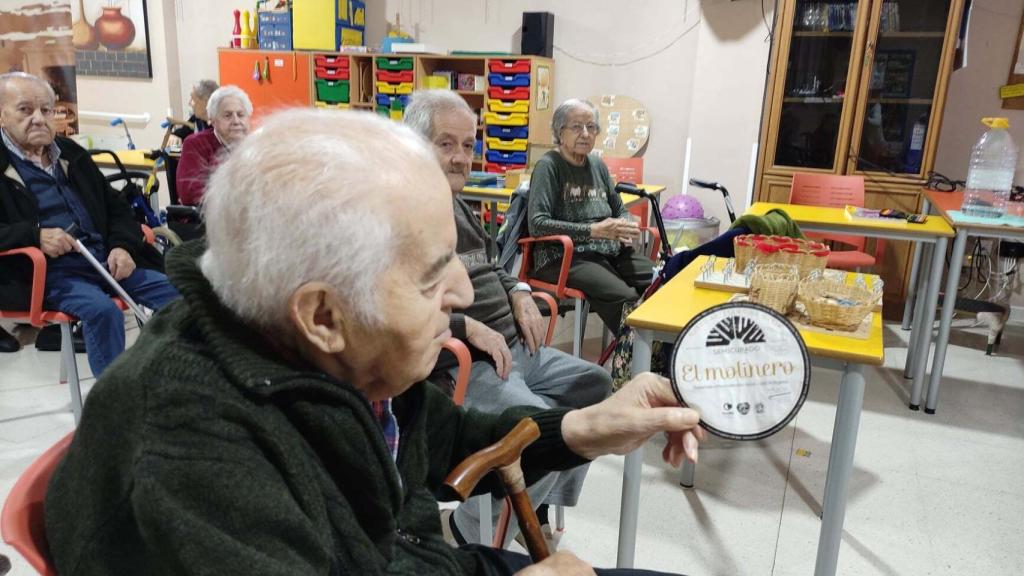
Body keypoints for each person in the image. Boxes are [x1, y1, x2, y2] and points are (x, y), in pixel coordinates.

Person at [45, 108, 704, 576]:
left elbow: (446, 441)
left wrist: (587, 426)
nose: (465, 295)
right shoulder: (193, 445)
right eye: (430, 274)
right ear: (323, 315)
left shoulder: (330, 351)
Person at [405, 91, 612, 547]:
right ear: (415, 145)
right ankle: (477, 528)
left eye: (467, 145)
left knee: (594, 385)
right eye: (446, 144)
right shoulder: (405, 214)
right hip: (466, 362)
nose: (461, 157)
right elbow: (401, 306)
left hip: (515, 343)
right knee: (537, 428)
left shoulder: (458, 203)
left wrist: (519, 291)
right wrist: (466, 327)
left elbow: (494, 262)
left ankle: (527, 506)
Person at [0, 72, 178, 377]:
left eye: (46, 110)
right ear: (2, 116)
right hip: (46, 274)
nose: (39, 119)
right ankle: (112, 409)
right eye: (25, 110)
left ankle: (174, 383)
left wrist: (123, 247)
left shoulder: (71, 153)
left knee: (182, 295)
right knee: (103, 311)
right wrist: (35, 236)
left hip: (104, 261)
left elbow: (118, 209)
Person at [528, 98, 654, 335]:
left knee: (659, 280)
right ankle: (634, 358)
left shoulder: (597, 164)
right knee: (626, 298)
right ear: (559, 132)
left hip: (607, 250)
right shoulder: (549, 166)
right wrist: (592, 231)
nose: (585, 134)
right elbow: (537, 224)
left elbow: (619, 208)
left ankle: (661, 351)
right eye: (576, 127)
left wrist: (626, 225)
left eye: (591, 127)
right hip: (564, 256)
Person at [175, 84, 251, 206]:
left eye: (241, 115)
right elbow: (190, 194)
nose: (236, 121)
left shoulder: (255, 145)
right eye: (227, 115)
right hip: (210, 219)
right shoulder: (195, 144)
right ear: (212, 120)